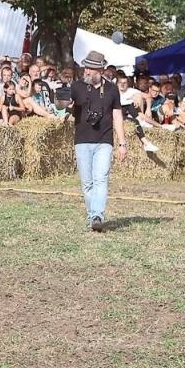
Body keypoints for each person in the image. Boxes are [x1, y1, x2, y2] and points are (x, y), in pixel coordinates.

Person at [58, 50, 126, 232]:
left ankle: (98, 215)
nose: (86, 71)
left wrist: (122, 143)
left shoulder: (112, 89)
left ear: (100, 71)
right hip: (82, 140)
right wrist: (62, 98)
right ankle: (92, 216)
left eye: (90, 69)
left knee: (100, 179)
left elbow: (117, 115)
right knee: (87, 183)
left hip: (104, 139)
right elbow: (61, 105)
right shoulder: (77, 86)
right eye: (85, 68)